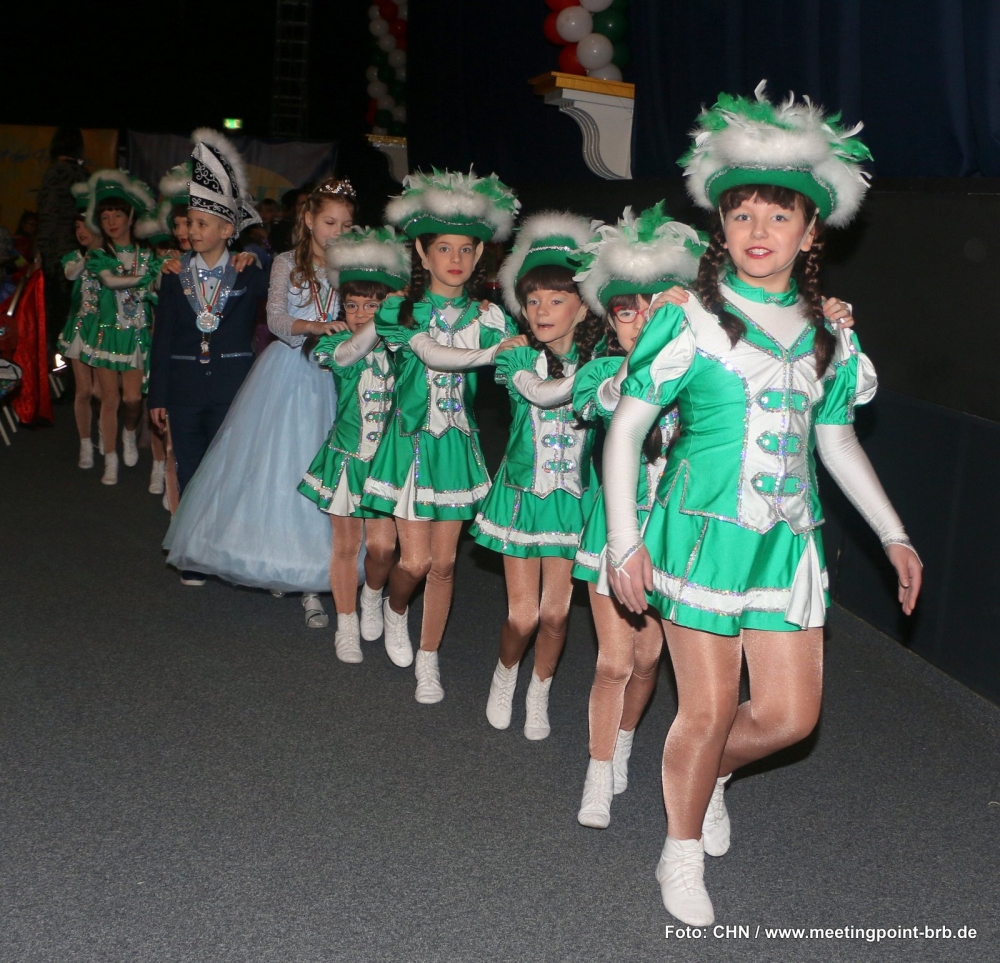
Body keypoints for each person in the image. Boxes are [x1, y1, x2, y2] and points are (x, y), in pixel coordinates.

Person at [601, 83, 923, 926]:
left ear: (811, 231)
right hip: (697, 534)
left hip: (786, 544)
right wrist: (624, 541)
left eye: (780, 215)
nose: (758, 229)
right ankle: (677, 849)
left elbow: (837, 440)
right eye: (742, 213)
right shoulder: (688, 318)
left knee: (788, 716)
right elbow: (627, 430)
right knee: (705, 708)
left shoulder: (832, 334)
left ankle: (711, 774)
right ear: (721, 224)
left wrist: (894, 533)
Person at [162, 174, 351, 626]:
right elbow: (277, 319)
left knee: (329, 472)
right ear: (309, 220)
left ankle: (317, 578)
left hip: (338, 374)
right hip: (290, 372)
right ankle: (285, 562)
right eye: (330, 222)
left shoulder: (353, 266)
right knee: (283, 467)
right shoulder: (285, 262)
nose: (337, 232)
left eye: (346, 225)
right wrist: (315, 327)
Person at [361, 168, 521, 703]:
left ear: (479, 256)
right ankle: (392, 605)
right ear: (422, 254)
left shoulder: (490, 316)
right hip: (408, 443)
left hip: (455, 444)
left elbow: (526, 366)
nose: (456, 259)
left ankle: (428, 660)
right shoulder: (398, 309)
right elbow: (433, 354)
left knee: (446, 564)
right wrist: (489, 351)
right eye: (444, 248)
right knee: (414, 562)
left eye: (466, 249)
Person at [569, 203, 705, 826]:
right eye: (628, 312)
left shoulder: (699, 373)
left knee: (650, 661)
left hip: (671, 536)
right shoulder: (603, 370)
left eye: (654, 310)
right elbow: (607, 401)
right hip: (613, 531)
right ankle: (598, 773)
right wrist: (647, 350)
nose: (641, 321)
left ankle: (623, 740)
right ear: (611, 319)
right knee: (614, 661)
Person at [470, 212, 602, 739]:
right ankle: (505, 675)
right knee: (522, 617)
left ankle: (539, 691)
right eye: (532, 301)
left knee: (556, 616)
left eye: (556, 299)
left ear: (583, 306)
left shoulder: (603, 359)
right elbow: (534, 391)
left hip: (574, 501)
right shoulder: (516, 357)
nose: (541, 311)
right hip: (521, 497)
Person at [149, 128, 268, 584]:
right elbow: (163, 339)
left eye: (201, 224)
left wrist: (256, 255)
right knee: (190, 468)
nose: (192, 232)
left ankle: (224, 546)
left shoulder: (247, 272)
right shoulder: (173, 274)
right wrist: (158, 394)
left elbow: (283, 277)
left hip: (231, 387)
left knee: (227, 469)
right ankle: (193, 552)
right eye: (190, 224)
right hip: (183, 388)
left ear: (226, 230)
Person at [298, 226, 410, 662]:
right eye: (352, 304)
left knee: (383, 549)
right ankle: (345, 625)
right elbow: (349, 355)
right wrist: (385, 316)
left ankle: (373, 595)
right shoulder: (334, 345)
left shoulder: (403, 347)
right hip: (346, 458)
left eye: (371, 304)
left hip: (387, 464)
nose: (360, 313)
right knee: (346, 548)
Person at [76, 169, 161, 485]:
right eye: (105, 217)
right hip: (107, 334)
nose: (111, 222)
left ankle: (129, 431)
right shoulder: (98, 256)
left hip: (137, 335)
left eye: (117, 215)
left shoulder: (148, 255)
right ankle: (109, 459)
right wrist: (146, 278)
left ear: (130, 217)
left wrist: (156, 280)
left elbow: (158, 289)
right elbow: (110, 282)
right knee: (108, 399)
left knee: (133, 400)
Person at [56, 183, 105, 469]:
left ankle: (104, 430)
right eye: (77, 227)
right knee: (84, 390)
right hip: (78, 329)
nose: (81, 231)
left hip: (106, 331)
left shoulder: (112, 258)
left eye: (85, 225)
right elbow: (72, 274)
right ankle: (85, 444)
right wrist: (89, 258)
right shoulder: (74, 258)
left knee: (102, 392)